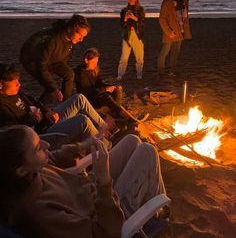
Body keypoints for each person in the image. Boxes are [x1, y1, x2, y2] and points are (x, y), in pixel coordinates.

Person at [0, 125, 167, 238]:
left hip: (93, 192)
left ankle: (157, 210)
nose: (47, 144)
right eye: (38, 147)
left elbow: (53, 156)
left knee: (132, 140)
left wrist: (82, 145)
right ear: (21, 170)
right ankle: (158, 213)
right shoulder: (38, 212)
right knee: (147, 151)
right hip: (110, 215)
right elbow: (104, 232)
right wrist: (103, 180)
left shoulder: (30, 171)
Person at [0, 63, 111, 149]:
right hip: (42, 135)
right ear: (1, 85)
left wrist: (47, 111)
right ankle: (107, 147)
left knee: (79, 98)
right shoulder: (3, 107)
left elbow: (36, 101)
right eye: (15, 83)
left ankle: (106, 130)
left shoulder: (15, 92)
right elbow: (16, 133)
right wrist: (32, 119)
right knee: (83, 121)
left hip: (47, 120)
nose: (19, 84)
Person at [20, 14, 90, 104]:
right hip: (32, 60)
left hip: (51, 59)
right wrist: (53, 88)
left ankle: (66, 104)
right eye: (80, 35)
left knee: (69, 74)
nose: (81, 39)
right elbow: (41, 65)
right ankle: (40, 108)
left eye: (83, 37)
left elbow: (61, 60)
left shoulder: (68, 40)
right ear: (70, 29)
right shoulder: (54, 39)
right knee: (50, 86)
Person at [75, 48, 124, 118]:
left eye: (96, 62)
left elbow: (99, 83)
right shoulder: (80, 73)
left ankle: (115, 112)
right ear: (86, 60)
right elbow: (87, 92)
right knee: (106, 97)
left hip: (97, 93)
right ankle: (120, 113)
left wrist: (109, 87)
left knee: (117, 89)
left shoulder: (95, 69)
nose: (95, 65)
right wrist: (105, 89)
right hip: (88, 99)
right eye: (93, 63)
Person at [158, 0, 192, 76]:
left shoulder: (185, 1)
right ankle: (160, 73)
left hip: (180, 32)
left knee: (175, 53)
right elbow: (162, 19)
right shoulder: (167, 0)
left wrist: (186, 31)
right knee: (164, 53)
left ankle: (172, 71)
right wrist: (169, 32)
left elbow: (185, 17)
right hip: (171, 33)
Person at [117, 0, 145, 81]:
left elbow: (143, 23)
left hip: (138, 36)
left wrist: (134, 18)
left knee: (139, 58)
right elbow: (121, 25)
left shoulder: (140, 10)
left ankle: (139, 75)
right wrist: (125, 19)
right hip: (127, 36)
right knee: (124, 58)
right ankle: (120, 75)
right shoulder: (124, 10)